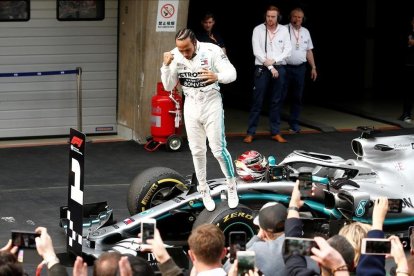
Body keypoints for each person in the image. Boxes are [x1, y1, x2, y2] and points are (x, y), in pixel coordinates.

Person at [161, 28, 239, 211]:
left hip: (211, 102)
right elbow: (168, 85)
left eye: (187, 49)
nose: (184, 53)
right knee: (197, 151)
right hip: (191, 104)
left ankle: (232, 185)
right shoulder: (174, 55)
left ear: (195, 43)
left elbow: (232, 74)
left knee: (218, 150)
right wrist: (165, 66)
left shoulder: (212, 50)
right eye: (180, 50)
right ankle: (203, 188)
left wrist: (217, 76)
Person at [244, 5, 292, 144]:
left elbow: (288, 50)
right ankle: (250, 132)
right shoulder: (258, 29)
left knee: (277, 100)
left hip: (279, 67)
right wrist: (271, 67)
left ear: (278, 18)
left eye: (273, 17)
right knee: (257, 100)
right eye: (268, 16)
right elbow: (257, 52)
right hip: (263, 68)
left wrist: (275, 61)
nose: (270, 19)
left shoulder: (283, 30)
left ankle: (275, 132)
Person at [284, 7, 317, 133]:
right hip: (285, 68)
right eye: (295, 16)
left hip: (300, 69)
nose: (297, 19)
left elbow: (309, 51)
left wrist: (313, 67)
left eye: (299, 17)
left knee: (297, 97)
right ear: (290, 17)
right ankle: (274, 125)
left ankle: (294, 124)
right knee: (279, 96)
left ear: (303, 19)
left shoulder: (306, 32)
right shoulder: (283, 30)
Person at [398, 16, 414, 123]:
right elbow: (410, 43)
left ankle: (407, 113)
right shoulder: (409, 33)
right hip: (409, 65)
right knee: (408, 91)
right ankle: (406, 114)